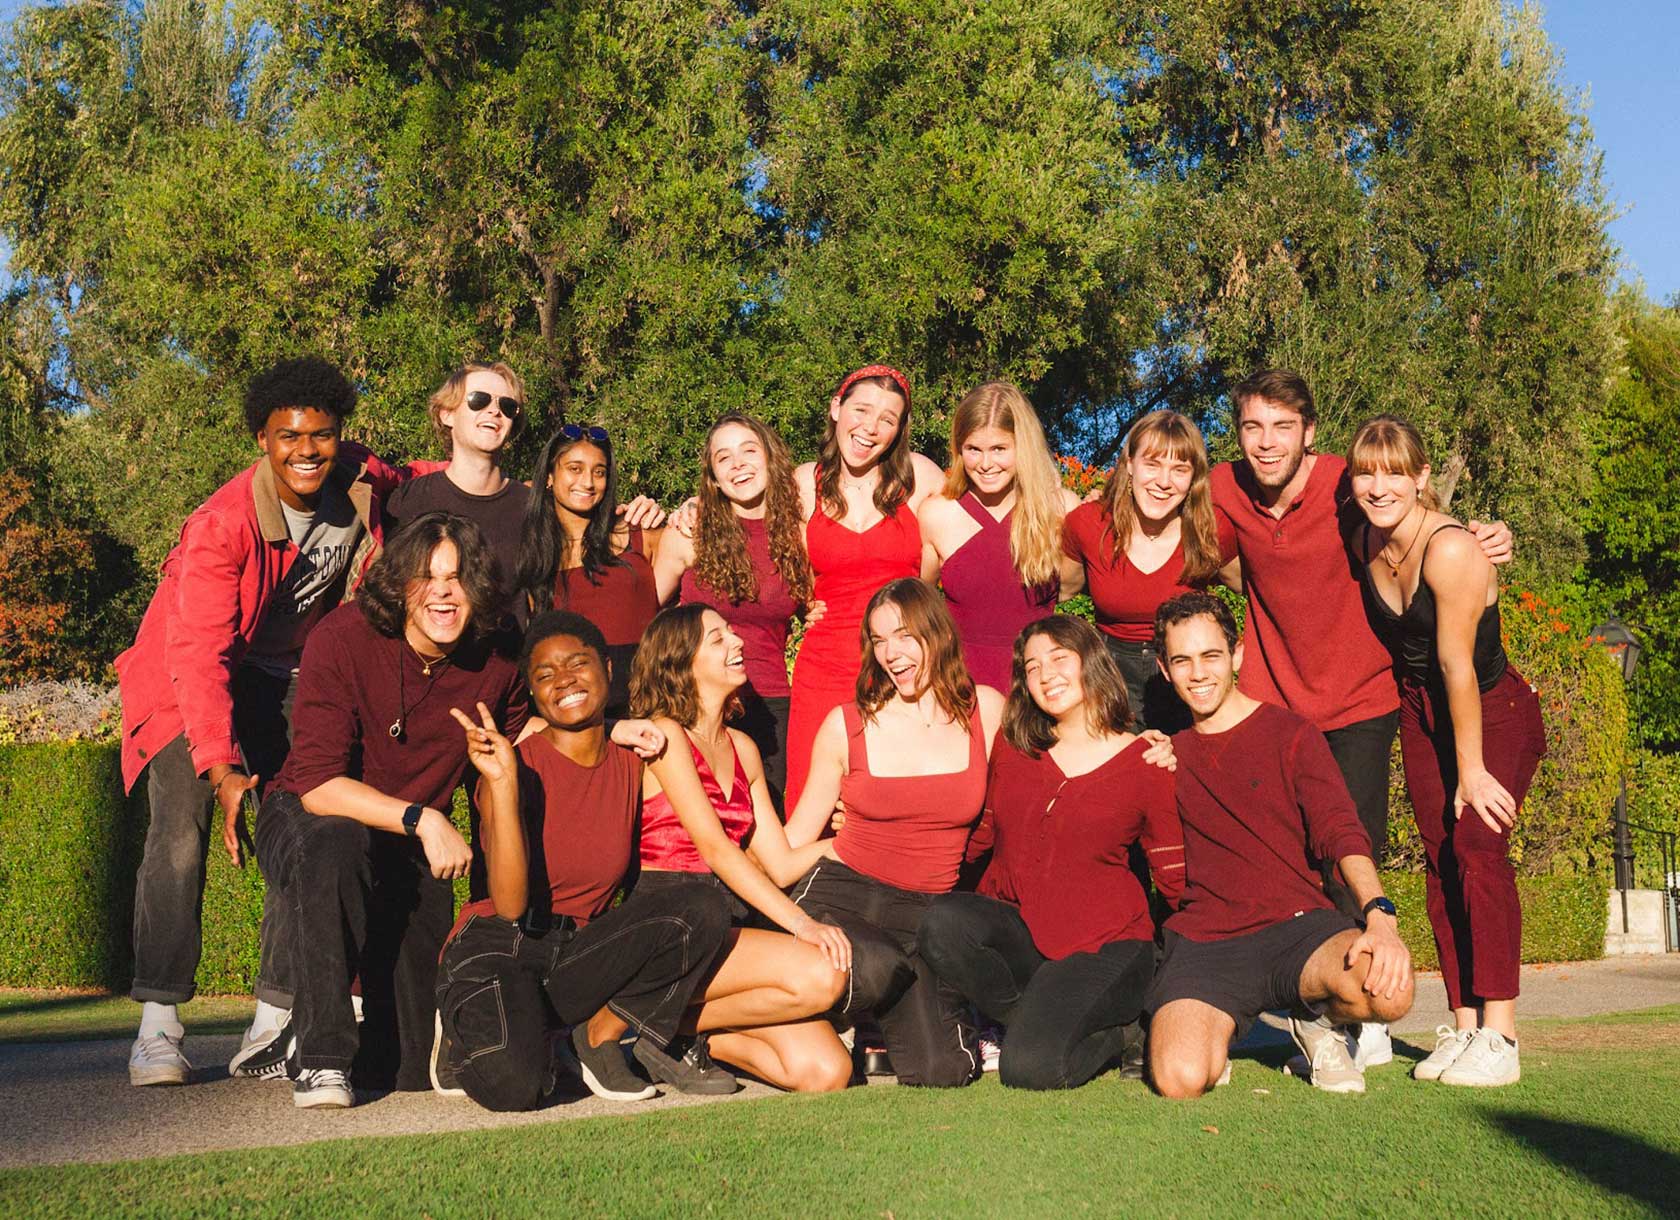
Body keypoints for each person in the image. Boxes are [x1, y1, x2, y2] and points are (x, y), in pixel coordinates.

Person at [115, 356, 413, 1088]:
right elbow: (197, 654)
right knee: (179, 831)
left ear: (339, 436)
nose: (306, 451)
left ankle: (273, 1023)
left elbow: (436, 475)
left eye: (321, 436)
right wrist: (220, 767)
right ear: (262, 439)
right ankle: (158, 1029)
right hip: (189, 680)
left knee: (308, 822)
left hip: (284, 681)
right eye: (289, 437)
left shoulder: (361, 479)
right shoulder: (223, 526)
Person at [1210, 368, 1511, 1069]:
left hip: (1359, 702)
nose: (1266, 441)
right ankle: (1298, 1005)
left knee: (1354, 860)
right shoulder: (1224, 487)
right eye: (1253, 426)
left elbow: (1413, 512)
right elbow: (1193, 550)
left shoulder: (1352, 480)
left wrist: (1486, 538)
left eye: (1283, 426)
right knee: (1280, 862)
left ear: (1309, 433)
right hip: (1273, 705)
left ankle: (1364, 1009)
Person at [253, 512, 530, 1108]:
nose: (443, 593)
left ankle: (351, 1044)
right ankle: (319, 1055)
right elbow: (319, 785)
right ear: (397, 585)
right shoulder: (343, 637)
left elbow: (524, 733)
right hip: (306, 816)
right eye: (425, 577)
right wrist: (426, 819)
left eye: (457, 578)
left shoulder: (498, 656)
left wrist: (613, 731)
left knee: (400, 1069)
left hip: (404, 843)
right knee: (336, 841)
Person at [430, 610, 735, 1110]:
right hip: (501, 944)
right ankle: (464, 1030)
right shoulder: (513, 766)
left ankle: (584, 1037)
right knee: (516, 1087)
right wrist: (503, 786)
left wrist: (618, 727)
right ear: (533, 694)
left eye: (577, 664)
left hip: (577, 954)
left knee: (700, 907)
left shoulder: (633, 759)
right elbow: (507, 905)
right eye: (545, 675)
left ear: (608, 671)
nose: (564, 681)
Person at [1145, 592, 1414, 1099]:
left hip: (1298, 933)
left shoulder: (1291, 734)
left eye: (1211, 656)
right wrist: (1144, 762)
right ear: (1165, 668)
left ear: (1238, 655)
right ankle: (1223, 1030)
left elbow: (1340, 829)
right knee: (1180, 1079)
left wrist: (1378, 912)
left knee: (1392, 991)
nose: (1198, 673)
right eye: (1182, 660)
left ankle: (1316, 1021)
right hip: (1208, 941)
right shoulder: (1166, 756)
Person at [1347, 417, 1547, 1087]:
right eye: (1365, 473)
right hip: (1421, 709)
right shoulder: (1363, 540)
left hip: (1493, 709)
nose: (1379, 486)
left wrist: (1472, 770)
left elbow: (1458, 667)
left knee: (1477, 852)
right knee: (1439, 861)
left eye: (1394, 472)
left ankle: (1502, 1035)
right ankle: (1465, 1031)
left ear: (1422, 478)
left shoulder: (1453, 550)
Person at [918, 615, 1185, 1090]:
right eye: (1032, 667)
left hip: (1106, 945)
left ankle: (1124, 1031)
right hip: (1023, 937)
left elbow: (1175, 878)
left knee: (1030, 1068)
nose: (1046, 675)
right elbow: (980, 834)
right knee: (941, 922)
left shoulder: (1144, 761)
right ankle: (1037, 1017)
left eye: (1060, 659)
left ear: (1092, 663)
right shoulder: (1014, 746)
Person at [622, 605, 854, 1094]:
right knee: (822, 974)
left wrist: (850, 840)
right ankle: (656, 1014)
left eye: (732, 633)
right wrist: (802, 925)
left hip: (729, 925)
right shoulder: (663, 735)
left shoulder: (744, 747)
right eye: (718, 638)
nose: (737, 643)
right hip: (675, 923)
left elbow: (782, 862)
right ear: (681, 661)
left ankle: (691, 1034)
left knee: (827, 1072)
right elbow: (716, 849)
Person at [784, 578, 1006, 1087]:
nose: (891, 653)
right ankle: (840, 1011)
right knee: (878, 964)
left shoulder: (985, 711)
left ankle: (864, 1019)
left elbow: (1051, 764)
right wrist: (829, 847)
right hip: (844, 899)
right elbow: (793, 840)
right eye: (879, 640)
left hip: (927, 916)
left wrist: (1144, 747)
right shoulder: (848, 724)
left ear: (938, 634)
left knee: (943, 1070)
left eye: (904, 636)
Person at [783, 365, 944, 808]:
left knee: (890, 797)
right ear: (837, 408)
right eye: (862, 410)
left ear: (898, 431)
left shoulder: (923, 479)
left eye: (887, 419)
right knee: (809, 796)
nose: (870, 428)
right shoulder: (803, 483)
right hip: (824, 665)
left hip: (900, 666)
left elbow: (946, 564)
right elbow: (778, 561)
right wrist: (694, 502)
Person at [653, 414, 815, 801]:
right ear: (713, 476)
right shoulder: (689, 533)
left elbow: (818, 604)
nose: (738, 464)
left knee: (766, 825)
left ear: (770, 458)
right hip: (694, 704)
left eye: (748, 450)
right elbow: (643, 613)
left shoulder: (799, 535)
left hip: (771, 706)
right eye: (723, 458)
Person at [1058, 410, 1232, 732]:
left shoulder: (1212, 530)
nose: (1164, 482)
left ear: (1193, 479)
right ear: (1129, 466)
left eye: (1179, 470)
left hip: (1187, 678)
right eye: (1152, 465)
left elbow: (1261, 589)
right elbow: (1058, 593)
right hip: (1110, 675)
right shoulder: (1087, 525)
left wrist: (1237, 655)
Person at [918, 382, 1078, 691]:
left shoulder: (1060, 509)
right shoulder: (937, 514)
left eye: (999, 449)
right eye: (973, 450)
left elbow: (1079, 585)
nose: (986, 464)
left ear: (1024, 446)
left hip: (1039, 687)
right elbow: (919, 607)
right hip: (958, 685)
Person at [515, 424, 666, 716]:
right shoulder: (532, 555)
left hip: (646, 711)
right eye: (575, 468)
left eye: (599, 472)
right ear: (549, 476)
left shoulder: (640, 534)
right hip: (573, 719)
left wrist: (693, 508)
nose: (588, 482)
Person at [382, 362, 528, 607]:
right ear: (446, 414)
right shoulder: (407, 501)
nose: (494, 411)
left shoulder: (531, 506)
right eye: (479, 400)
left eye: (507, 405)